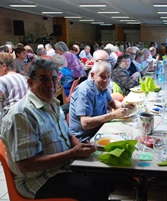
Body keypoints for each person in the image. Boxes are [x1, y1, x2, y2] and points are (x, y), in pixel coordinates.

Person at [0, 58, 113, 200]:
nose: (51, 84)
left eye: (54, 79)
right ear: (30, 83)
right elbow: (26, 164)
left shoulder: (53, 104)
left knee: (107, 176)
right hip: (38, 180)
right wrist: (72, 154)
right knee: (92, 188)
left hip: (61, 168)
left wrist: (84, 148)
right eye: (43, 79)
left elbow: (68, 135)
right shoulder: (21, 115)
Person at [69, 60, 135, 142]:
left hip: (100, 129)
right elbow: (85, 123)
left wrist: (124, 105)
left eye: (108, 77)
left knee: (129, 134)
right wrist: (112, 115)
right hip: (85, 138)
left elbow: (111, 103)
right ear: (93, 75)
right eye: (102, 76)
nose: (106, 80)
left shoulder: (100, 86)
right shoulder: (84, 92)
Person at [0, 52, 28, 117]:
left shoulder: (3, 80)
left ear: (4, 66)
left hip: (9, 118)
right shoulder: (23, 78)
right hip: (24, 116)